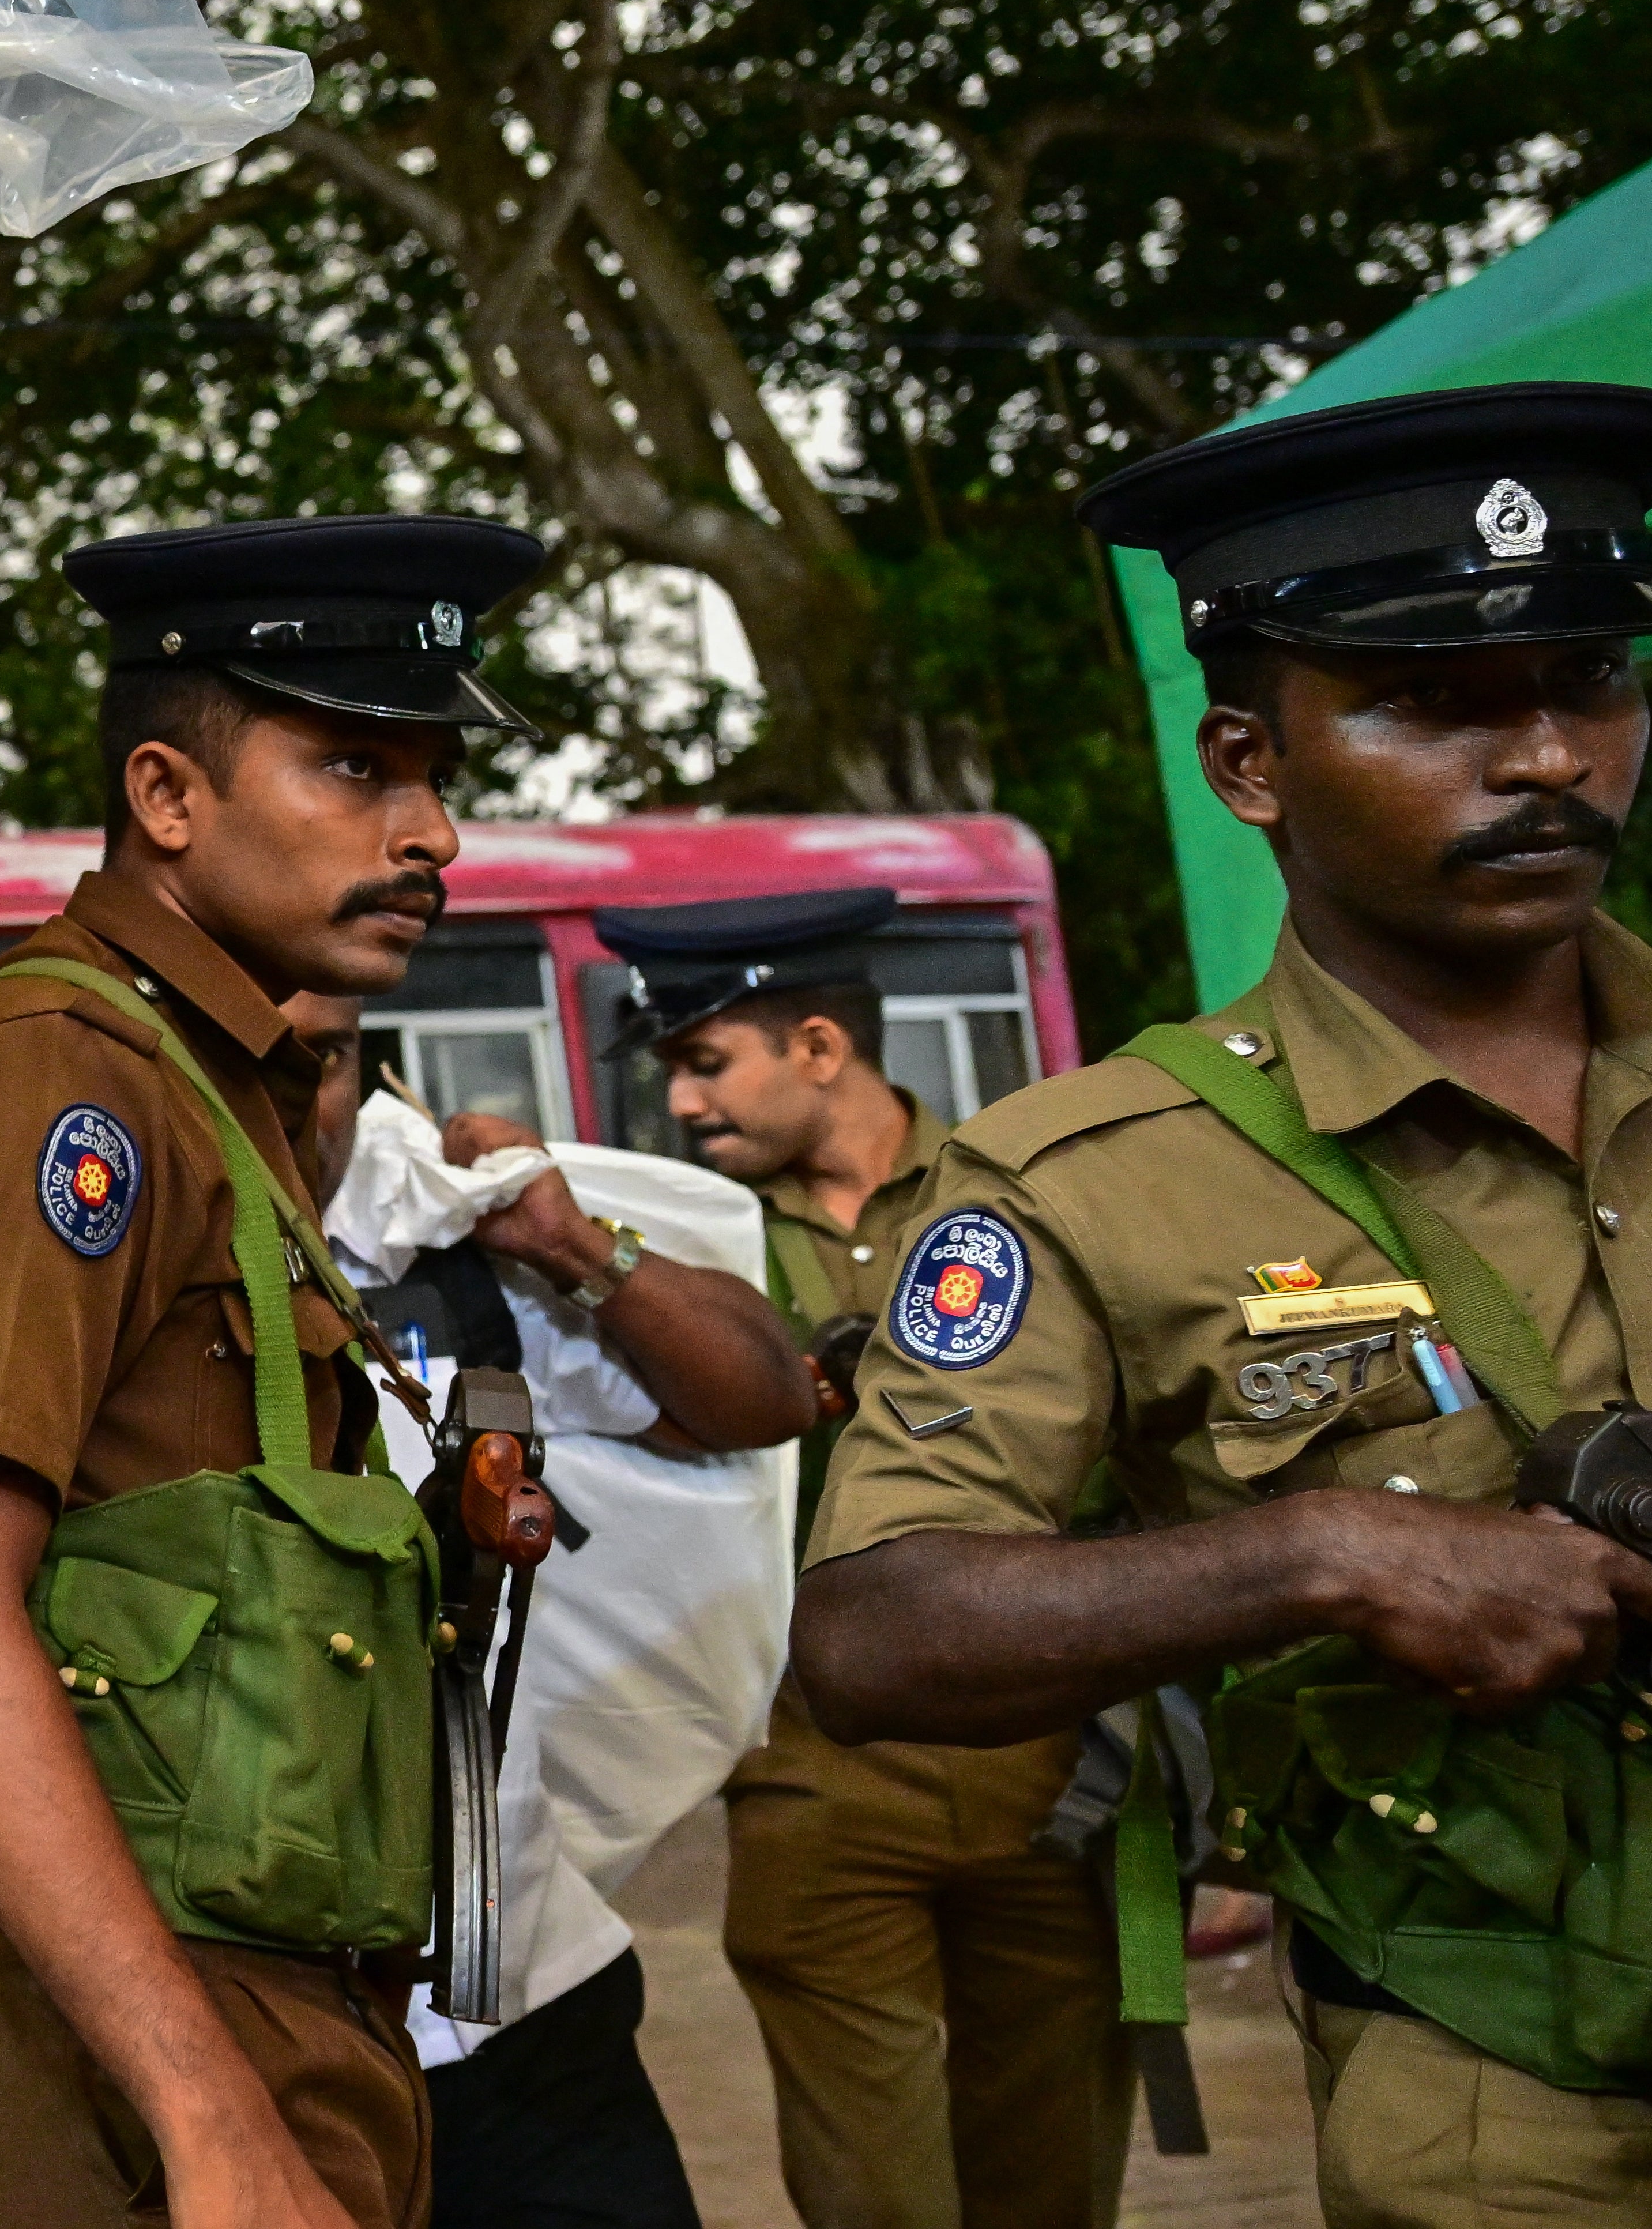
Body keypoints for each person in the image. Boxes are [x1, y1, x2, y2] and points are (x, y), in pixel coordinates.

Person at [0, 515, 813, 2229]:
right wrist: (204, 2106)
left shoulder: (222, 1084)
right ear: (164, 797)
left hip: (296, 1971)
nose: (429, 831)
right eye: (354, 765)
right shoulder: (59, 1082)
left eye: (435, 777)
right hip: (174, 2020)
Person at [793, 380, 1652, 2225]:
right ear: (1246, 765)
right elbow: (873, 1630)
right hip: (1510, 2092)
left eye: (1586, 680)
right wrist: (1324, 1554)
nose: (1545, 758)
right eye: (1430, 702)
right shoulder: (1091, 1180)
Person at [599, 890, 1139, 2229]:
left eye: (705, 1063)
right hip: (811, 1774)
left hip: (1051, 1775)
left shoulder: (1031, 1196)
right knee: (874, 2203)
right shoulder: (693, 1252)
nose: (680, 1106)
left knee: (1053, 2185)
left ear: (823, 1049)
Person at [291, 993, 807, 2229]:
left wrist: (571, 1241)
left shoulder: (435, 1253)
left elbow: (761, 1389)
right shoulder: (77, 1275)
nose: (299, 1096)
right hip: (254, 2020)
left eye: (325, 1056)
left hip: (512, 1982)